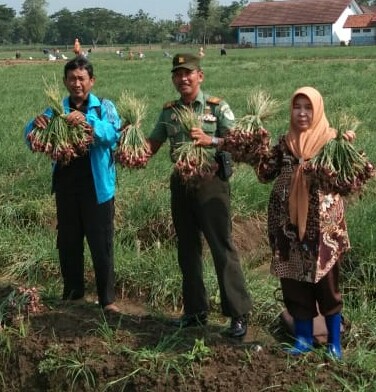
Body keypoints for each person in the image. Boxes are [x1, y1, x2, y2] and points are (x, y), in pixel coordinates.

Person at [146, 53, 252, 338]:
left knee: (222, 247)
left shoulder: (217, 108)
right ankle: (195, 311)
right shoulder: (169, 112)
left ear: (200, 76)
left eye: (188, 73)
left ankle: (238, 314)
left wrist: (211, 140)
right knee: (187, 248)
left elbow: (240, 143)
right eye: (177, 74)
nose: (183, 78)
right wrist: (129, 142)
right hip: (181, 184)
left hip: (211, 183)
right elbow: (152, 144)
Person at [252, 86, 357, 359]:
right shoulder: (285, 142)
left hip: (323, 229)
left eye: (308, 107)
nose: (302, 113)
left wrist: (347, 145)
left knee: (327, 284)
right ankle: (303, 339)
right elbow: (265, 174)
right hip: (287, 227)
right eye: (297, 107)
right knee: (294, 282)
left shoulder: (331, 141)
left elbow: (347, 178)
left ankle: (334, 343)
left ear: (317, 110)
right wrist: (256, 143)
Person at [24, 56, 121, 312]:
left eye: (81, 78)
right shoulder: (56, 110)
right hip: (66, 188)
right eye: (71, 79)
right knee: (68, 242)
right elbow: (29, 137)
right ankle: (73, 294)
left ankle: (107, 300)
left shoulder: (103, 108)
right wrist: (34, 125)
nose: (76, 83)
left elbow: (113, 135)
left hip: (97, 189)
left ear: (91, 81)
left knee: (101, 244)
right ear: (65, 81)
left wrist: (87, 121)